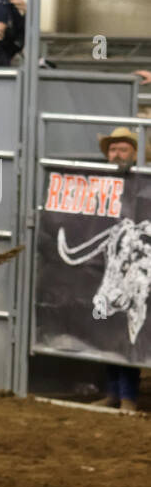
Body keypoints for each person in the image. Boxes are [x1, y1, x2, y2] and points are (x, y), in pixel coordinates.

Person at [96, 127, 143, 410]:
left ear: (135, 154)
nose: (116, 155)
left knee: (130, 329)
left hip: (136, 269)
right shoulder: (99, 182)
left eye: (122, 150)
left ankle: (128, 396)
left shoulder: (142, 182)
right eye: (112, 149)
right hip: (106, 268)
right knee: (104, 329)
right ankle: (114, 392)